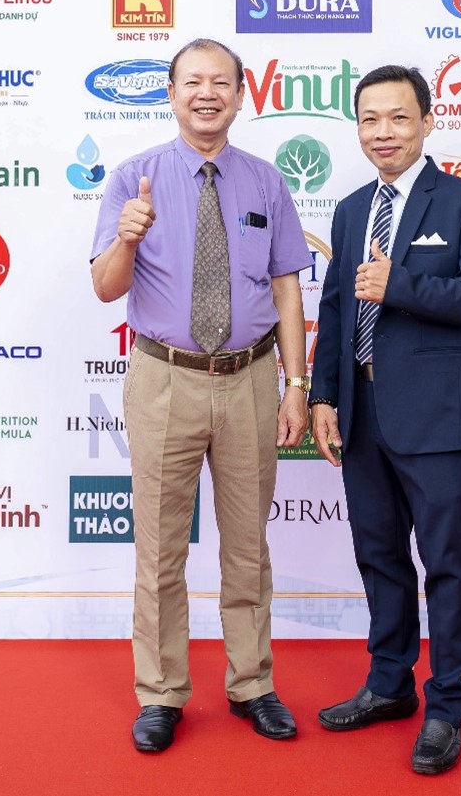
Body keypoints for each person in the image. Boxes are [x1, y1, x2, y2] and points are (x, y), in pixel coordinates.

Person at [89, 38, 314, 754]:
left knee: (248, 546)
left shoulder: (265, 182)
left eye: (221, 82)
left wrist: (295, 385)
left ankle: (252, 683)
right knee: (159, 548)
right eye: (192, 81)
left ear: (241, 95)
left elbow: (287, 286)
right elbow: (105, 287)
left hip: (250, 378)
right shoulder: (135, 178)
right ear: (171, 92)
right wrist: (127, 239)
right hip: (164, 380)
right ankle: (160, 692)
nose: (206, 93)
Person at [307, 64, 461, 776]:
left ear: (426, 120)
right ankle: (389, 683)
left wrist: (402, 284)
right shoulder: (350, 209)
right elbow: (336, 306)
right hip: (359, 412)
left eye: (397, 117)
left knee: (444, 562)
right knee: (379, 555)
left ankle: (446, 705)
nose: (382, 132)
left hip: (432, 415)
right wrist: (323, 397)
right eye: (369, 119)